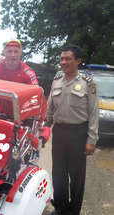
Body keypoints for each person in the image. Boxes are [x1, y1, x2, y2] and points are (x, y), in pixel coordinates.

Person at [46, 44, 99, 215]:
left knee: (76, 177)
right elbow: (49, 108)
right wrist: (45, 126)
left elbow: (93, 113)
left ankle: (73, 211)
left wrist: (91, 141)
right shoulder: (56, 81)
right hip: (60, 132)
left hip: (78, 133)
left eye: (68, 58)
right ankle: (60, 208)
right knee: (58, 173)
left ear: (78, 61)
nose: (64, 62)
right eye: (62, 59)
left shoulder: (88, 83)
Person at [0, 38, 38, 115]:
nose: (13, 55)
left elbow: (36, 94)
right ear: (3, 52)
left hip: (21, 114)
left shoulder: (28, 72)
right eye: (9, 51)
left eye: (16, 51)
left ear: (20, 53)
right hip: (1, 112)